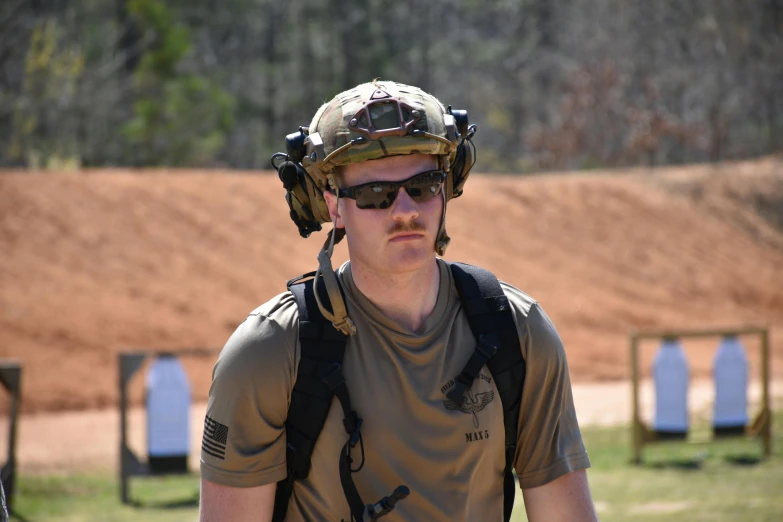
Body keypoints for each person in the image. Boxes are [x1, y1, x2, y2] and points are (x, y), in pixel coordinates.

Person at [199, 81, 597, 522]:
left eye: (424, 185)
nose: (405, 209)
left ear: (448, 187)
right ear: (333, 205)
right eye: (374, 195)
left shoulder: (518, 332)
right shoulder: (268, 353)